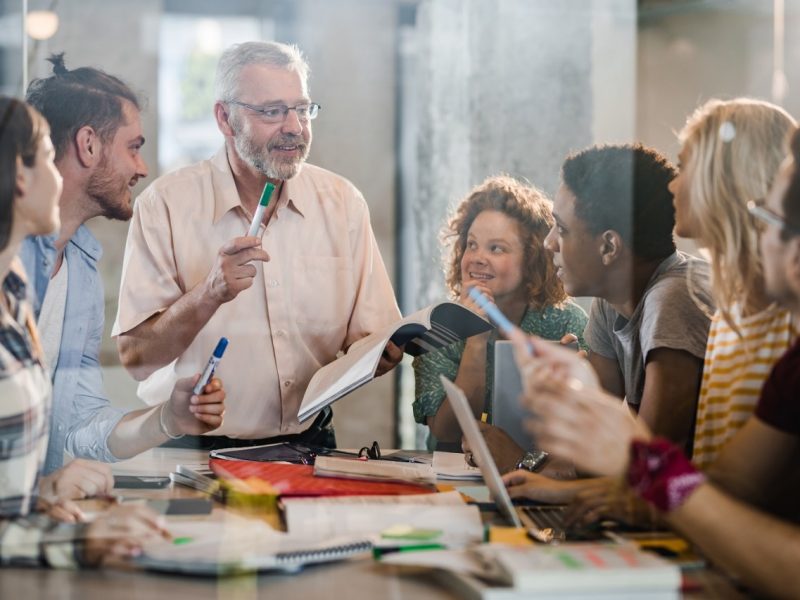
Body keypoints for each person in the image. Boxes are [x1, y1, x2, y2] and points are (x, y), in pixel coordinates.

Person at [509, 128, 800, 597]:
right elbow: (721, 489)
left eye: (766, 217)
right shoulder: (789, 361)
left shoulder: (681, 298)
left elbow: (659, 467)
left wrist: (638, 464)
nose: (756, 234)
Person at [114, 41, 402, 449]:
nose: (295, 127)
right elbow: (136, 359)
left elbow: (368, 340)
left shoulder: (343, 203)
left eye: (302, 109)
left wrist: (378, 355)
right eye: (272, 111)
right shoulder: (164, 206)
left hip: (311, 445)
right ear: (225, 119)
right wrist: (210, 292)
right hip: (197, 452)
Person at [22, 55, 227, 490]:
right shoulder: (9, 259)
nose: (143, 168)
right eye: (134, 147)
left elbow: (80, 425)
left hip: (32, 524)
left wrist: (168, 418)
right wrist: (35, 490)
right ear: (89, 144)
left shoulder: (80, 273)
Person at [0, 96, 170, 568]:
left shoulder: (19, 290)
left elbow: (68, 424)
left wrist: (39, 493)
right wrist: (74, 542)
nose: (142, 166)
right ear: (19, 176)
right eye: (45, 159)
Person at [412, 176, 587, 451]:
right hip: (453, 475)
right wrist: (476, 339)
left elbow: (581, 426)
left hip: (538, 473)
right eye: (471, 244)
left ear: (532, 259)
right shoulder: (436, 327)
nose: (477, 257)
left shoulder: (568, 323)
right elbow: (446, 430)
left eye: (496, 248)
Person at [670, 99, 796, 470]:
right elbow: (713, 488)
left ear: (723, 180)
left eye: (682, 166)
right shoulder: (728, 315)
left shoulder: (791, 321)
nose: (671, 184)